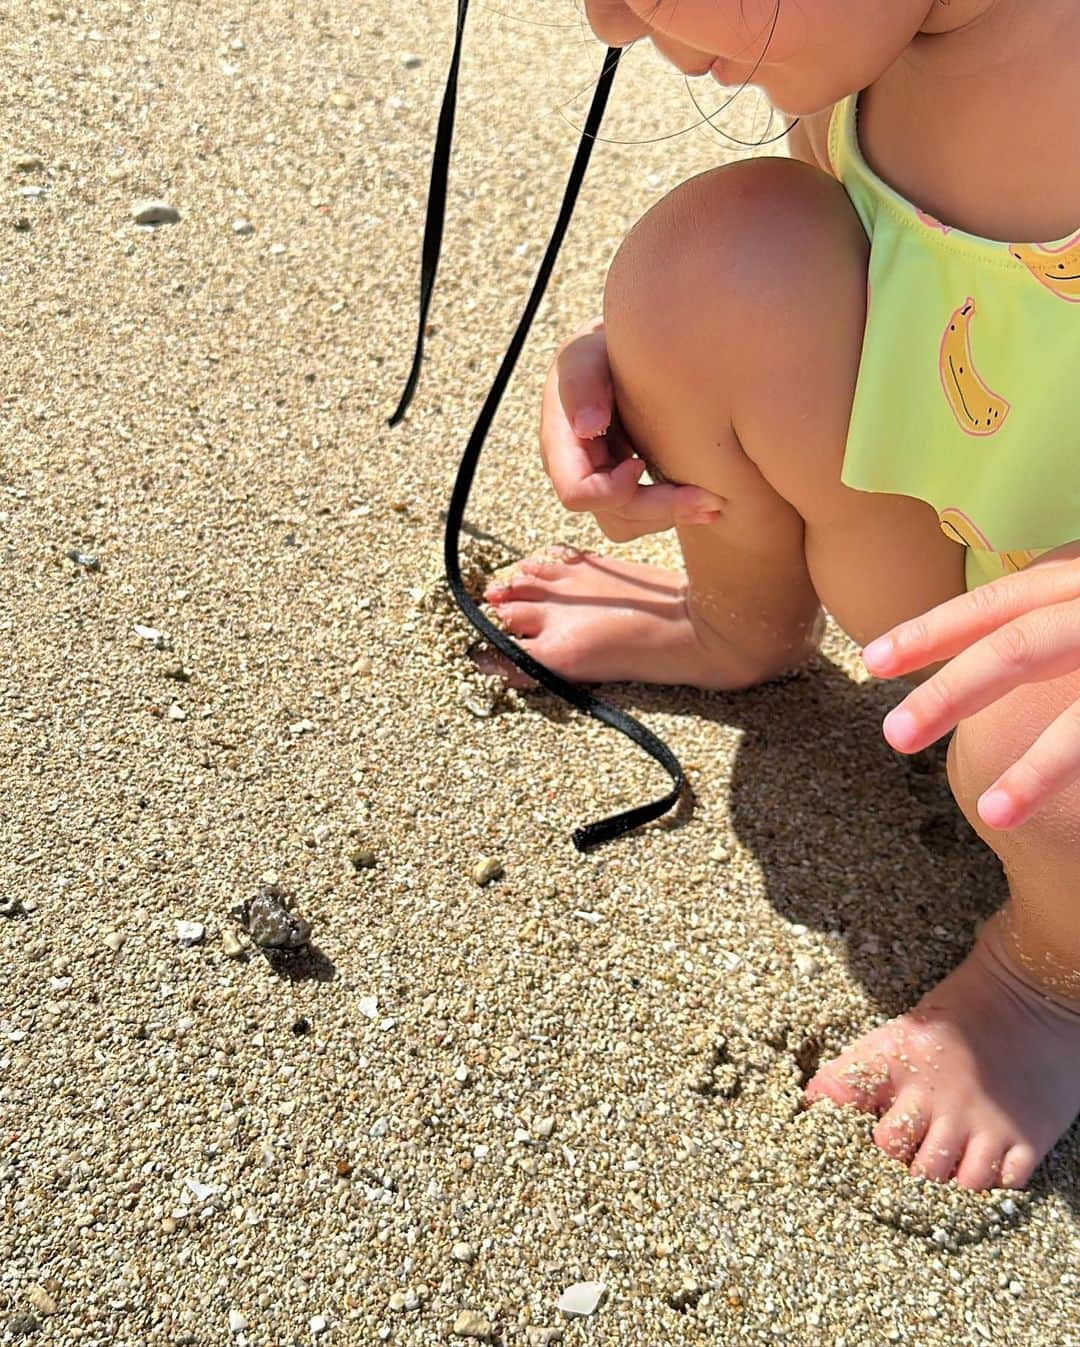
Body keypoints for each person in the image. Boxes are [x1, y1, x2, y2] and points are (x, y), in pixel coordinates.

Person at [479, 0, 1080, 1190]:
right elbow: (907, 262)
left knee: (1045, 742)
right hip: (956, 571)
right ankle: (740, 622)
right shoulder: (888, 40)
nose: (608, 19)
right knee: (720, 252)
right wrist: (662, 351)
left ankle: (1050, 978)